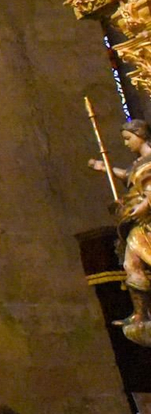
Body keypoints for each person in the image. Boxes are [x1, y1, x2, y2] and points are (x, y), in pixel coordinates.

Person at [91, 118, 151, 328]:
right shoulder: (137, 164)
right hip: (137, 223)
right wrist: (103, 167)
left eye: (128, 138)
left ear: (140, 135)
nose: (126, 144)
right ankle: (140, 314)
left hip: (146, 221)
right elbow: (127, 176)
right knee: (131, 265)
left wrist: (142, 207)